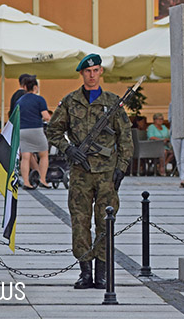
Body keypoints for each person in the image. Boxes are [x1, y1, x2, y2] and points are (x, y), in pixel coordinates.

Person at [46, 54, 133, 290]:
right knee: (80, 222)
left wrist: (121, 168)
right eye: (87, 71)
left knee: (105, 223)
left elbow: (126, 138)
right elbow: (53, 131)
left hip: (106, 173)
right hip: (80, 173)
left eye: (95, 70)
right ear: (82, 74)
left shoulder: (113, 102)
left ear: (101, 72)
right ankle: (85, 271)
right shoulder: (70, 101)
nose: (92, 75)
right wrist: (68, 149)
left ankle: (102, 273)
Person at [17, 76, 52, 190]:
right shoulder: (39, 99)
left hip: (22, 130)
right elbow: (46, 116)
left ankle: (26, 182)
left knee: (26, 157)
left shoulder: (19, 101)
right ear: (35, 87)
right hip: (36, 129)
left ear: (25, 87)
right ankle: (42, 179)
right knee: (43, 154)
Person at [169, 102, 184, 188]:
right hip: (175, 132)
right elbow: (170, 118)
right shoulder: (172, 104)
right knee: (178, 157)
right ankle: (181, 177)